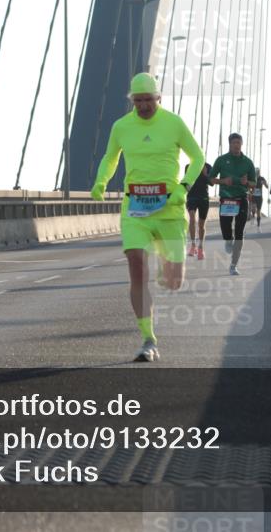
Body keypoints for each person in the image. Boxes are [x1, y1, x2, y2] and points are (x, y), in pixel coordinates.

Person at [91, 73, 204, 363]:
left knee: (173, 280)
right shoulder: (121, 127)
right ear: (132, 100)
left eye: (148, 100)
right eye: (137, 101)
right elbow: (110, 157)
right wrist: (101, 181)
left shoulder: (174, 123)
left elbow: (198, 157)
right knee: (136, 266)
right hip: (135, 209)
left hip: (169, 211)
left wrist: (184, 187)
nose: (142, 106)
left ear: (158, 98)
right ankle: (148, 339)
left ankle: (164, 263)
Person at [208, 133, 257, 275]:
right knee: (226, 230)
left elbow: (254, 184)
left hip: (241, 198)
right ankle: (228, 240)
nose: (236, 145)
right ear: (229, 144)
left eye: (238, 143)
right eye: (234, 143)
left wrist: (246, 183)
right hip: (226, 199)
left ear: (242, 144)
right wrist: (223, 181)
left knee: (240, 232)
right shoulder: (222, 160)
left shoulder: (248, 162)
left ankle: (233, 265)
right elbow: (211, 179)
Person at [185, 161, 212, 259]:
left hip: (203, 198)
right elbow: (187, 181)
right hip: (191, 197)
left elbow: (212, 183)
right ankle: (193, 245)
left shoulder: (208, 166)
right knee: (192, 219)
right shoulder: (188, 166)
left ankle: (200, 248)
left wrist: (205, 173)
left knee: (201, 225)